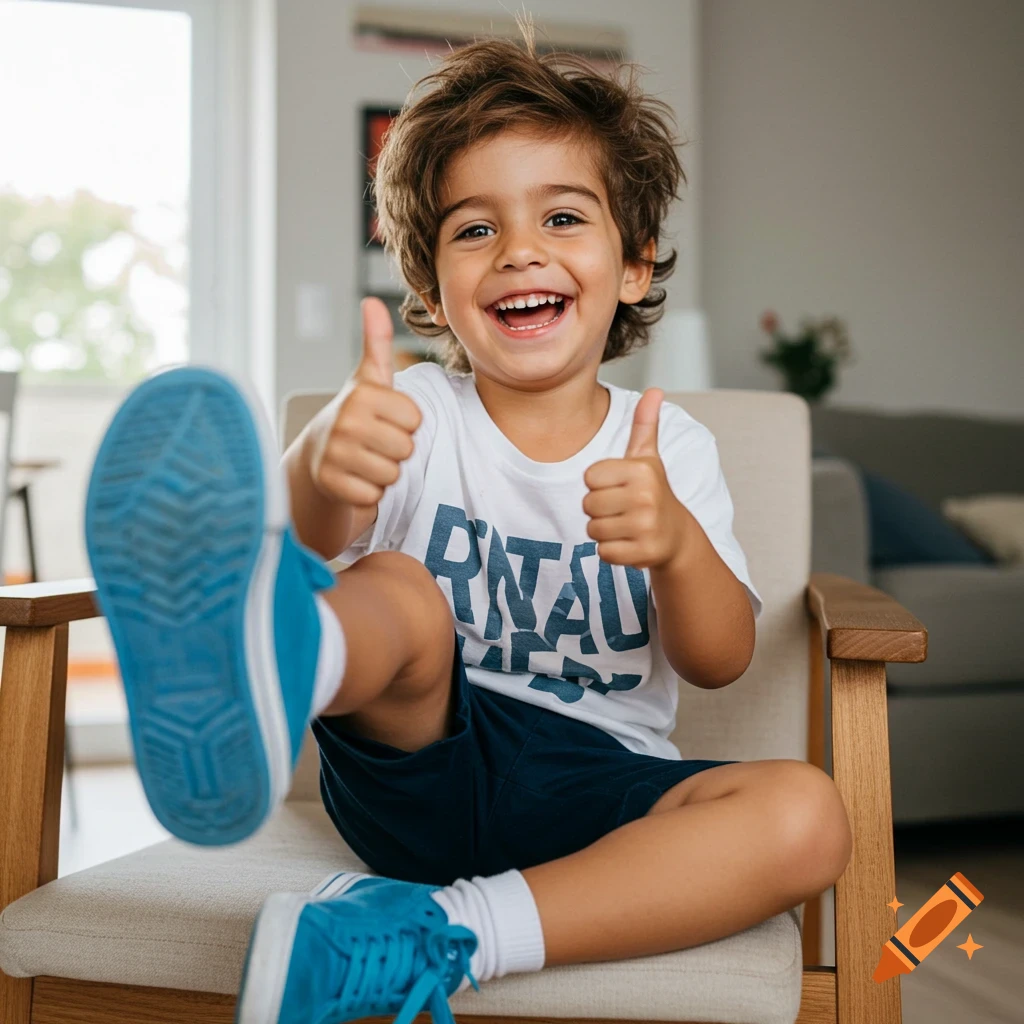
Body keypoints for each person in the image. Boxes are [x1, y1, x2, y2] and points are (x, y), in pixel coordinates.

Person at [84, 20, 852, 1024]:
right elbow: (300, 539)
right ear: (433, 294)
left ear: (633, 263)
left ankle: (437, 934)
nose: (518, 249)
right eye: (473, 228)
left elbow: (718, 658)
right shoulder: (414, 413)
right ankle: (273, 666)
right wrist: (325, 458)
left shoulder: (673, 450)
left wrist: (675, 544)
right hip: (417, 762)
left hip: (595, 794)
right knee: (398, 590)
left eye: (563, 217)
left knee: (805, 811)